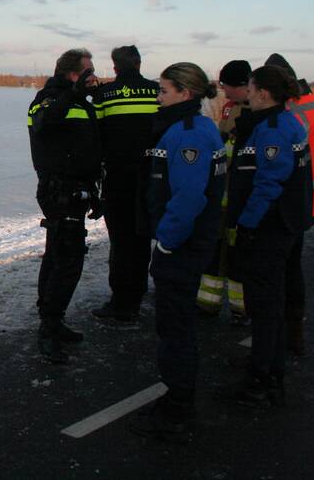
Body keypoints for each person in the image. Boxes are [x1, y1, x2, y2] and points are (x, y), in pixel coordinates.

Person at [128, 63, 225, 440]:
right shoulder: (193, 127)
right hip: (186, 243)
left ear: (185, 93)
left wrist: (167, 241)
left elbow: (188, 198)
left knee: (175, 326)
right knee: (175, 323)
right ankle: (176, 397)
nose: (158, 97)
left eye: (163, 90)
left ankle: (178, 407)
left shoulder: (189, 134)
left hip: (182, 246)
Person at [223, 65, 311, 406]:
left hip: (269, 228)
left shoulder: (273, 129)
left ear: (262, 93)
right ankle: (268, 368)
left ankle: (261, 379)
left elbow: (269, 183)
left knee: (265, 306)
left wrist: (247, 224)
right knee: (270, 304)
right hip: (283, 225)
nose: (247, 93)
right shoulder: (284, 122)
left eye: (250, 88)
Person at [28, 48, 102, 363]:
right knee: (68, 260)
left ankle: (52, 320)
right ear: (73, 74)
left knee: (57, 254)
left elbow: (88, 148)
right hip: (58, 190)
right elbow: (43, 124)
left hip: (78, 189)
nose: (93, 76)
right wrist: (73, 94)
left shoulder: (81, 103)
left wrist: (95, 190)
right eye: (88, 71)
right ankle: (49, 327)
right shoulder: (48, 99)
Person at [264, 53, 314, 356]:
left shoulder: (289, 115)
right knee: (293, 272)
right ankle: (294, 334)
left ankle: (274, 344)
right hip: (312, 202)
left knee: (277, 277)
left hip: (286, 205)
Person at [91, 45, 159, 323]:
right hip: (151, 176)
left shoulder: (104, 95)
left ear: (115, 67)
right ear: (139, 64)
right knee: (142, 237)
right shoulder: (156, 92)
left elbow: (95, 137)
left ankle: (121, 301)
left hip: (117, 177)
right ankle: (138, 293)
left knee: (120, 241)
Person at [197, 60, 252, 323]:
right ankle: (209, 302)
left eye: (226, 85)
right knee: (215, 252)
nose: (223, 90)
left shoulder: (256, 113)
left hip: (241, 201)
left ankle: (243, 307)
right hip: (222, 198)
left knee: (239, 255)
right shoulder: (231, 107)